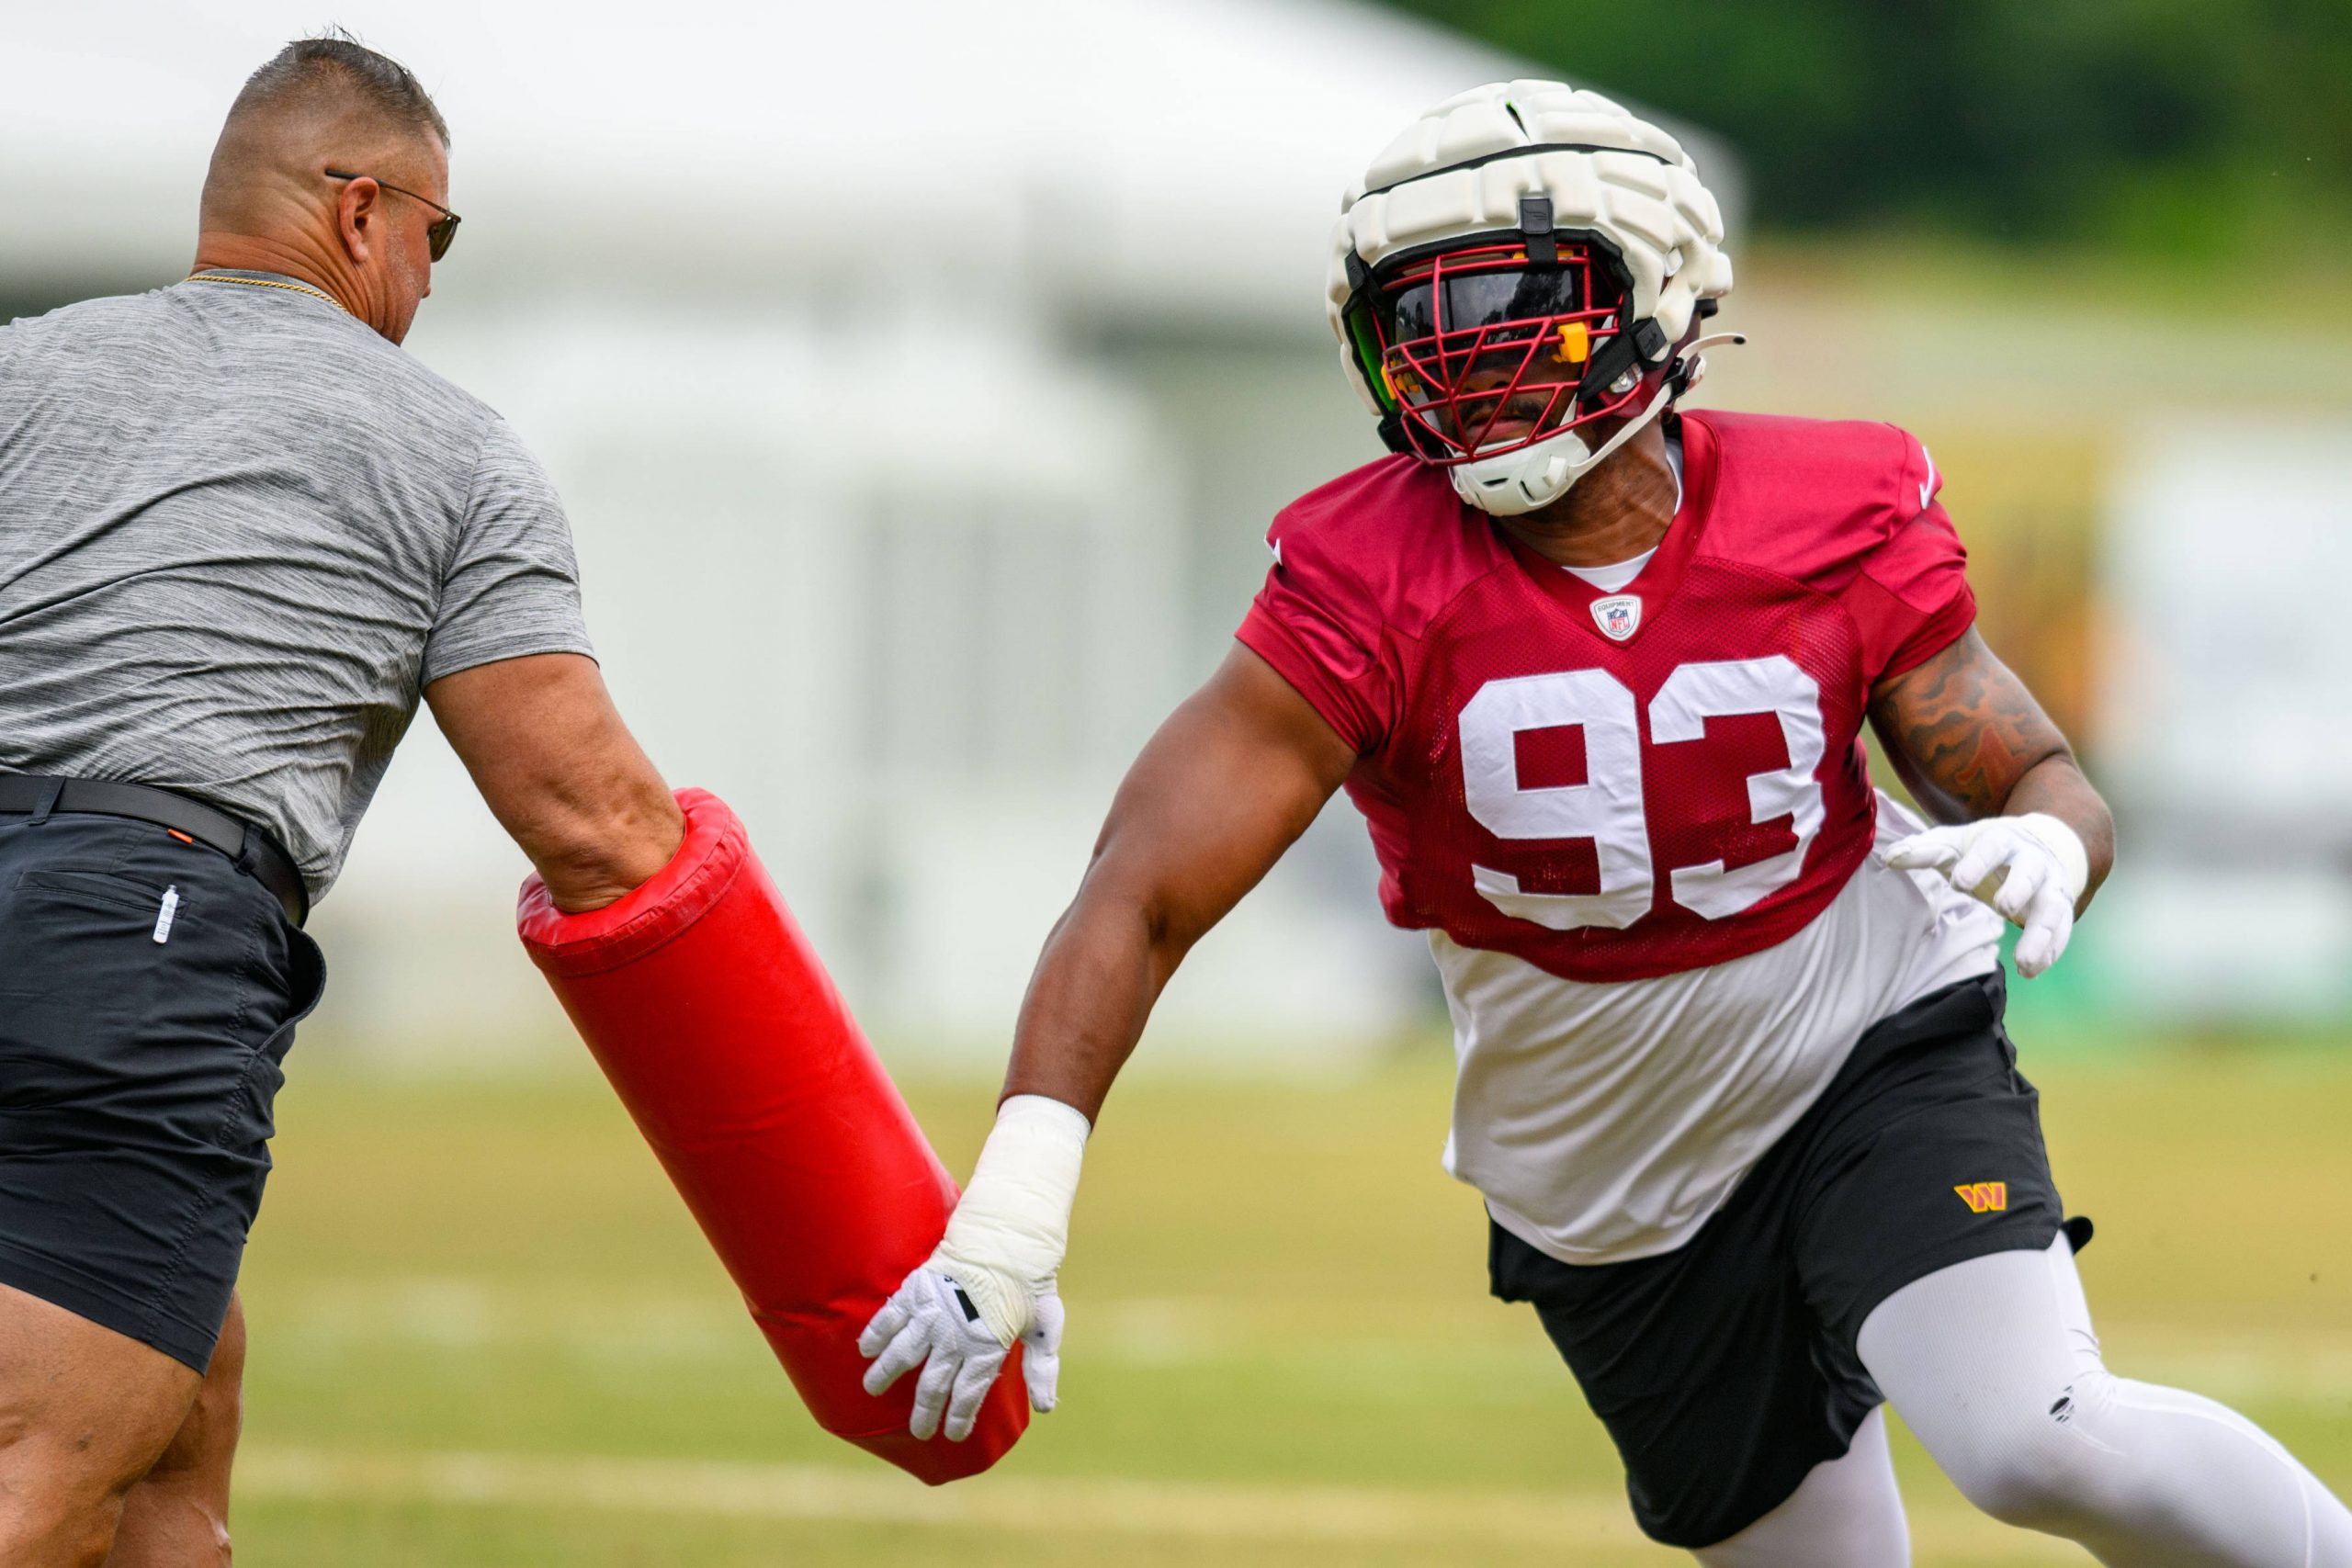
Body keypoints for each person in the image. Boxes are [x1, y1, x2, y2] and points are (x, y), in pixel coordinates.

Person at [859, 80, 2352, 1562]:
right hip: (1604, 1178)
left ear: (1658, 295)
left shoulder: (1830, 509)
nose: (1473, 355)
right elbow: (1141, 892)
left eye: (1521, 302)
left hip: (1865, 1049)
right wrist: (1010, 1215)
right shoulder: (1362, 578)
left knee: (2041, 1440)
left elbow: (2038, 776)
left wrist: (2051, 841)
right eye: (1427, 319)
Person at [0, 35, 681, 1567]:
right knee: (42, 1468)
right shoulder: (448, 449)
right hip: (144, 931)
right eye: (438, 234)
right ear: (359, 209)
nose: (434, 279)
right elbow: (589, 820)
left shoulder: (21, 366)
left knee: (181, 1406)